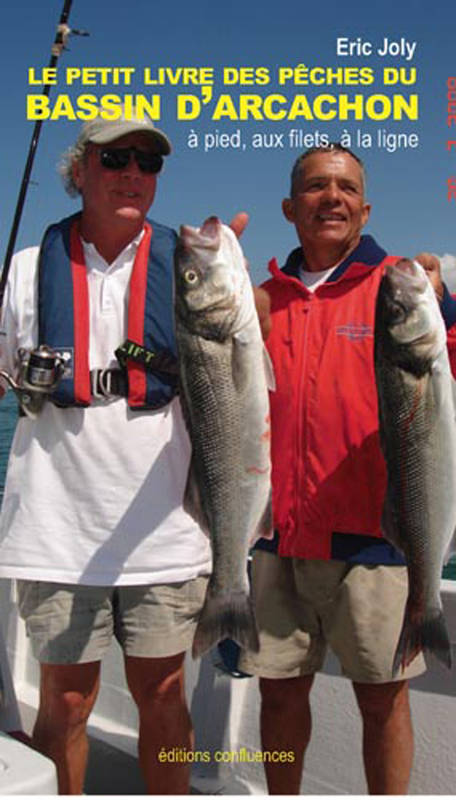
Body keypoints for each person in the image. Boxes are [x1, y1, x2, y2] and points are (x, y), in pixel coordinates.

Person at [0, 111, 245, 795]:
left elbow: (246, 363)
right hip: (56, 526)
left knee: (163, 691)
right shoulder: (22, 272)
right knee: (67, 701)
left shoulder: (196, 269)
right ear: (78, 173)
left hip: (168, 529)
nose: (133, 173)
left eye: (149, 162)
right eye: (114, 160)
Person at [240, 143, 456, 795]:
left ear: (365, 207)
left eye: (345, 187)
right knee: (278, 700)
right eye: (314, 186)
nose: (330, 197)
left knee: (382, 703)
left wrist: (445, 304)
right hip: (278, 540)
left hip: (378, 543)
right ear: (290, 206)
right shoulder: (261, 300)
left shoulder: (400, 288)